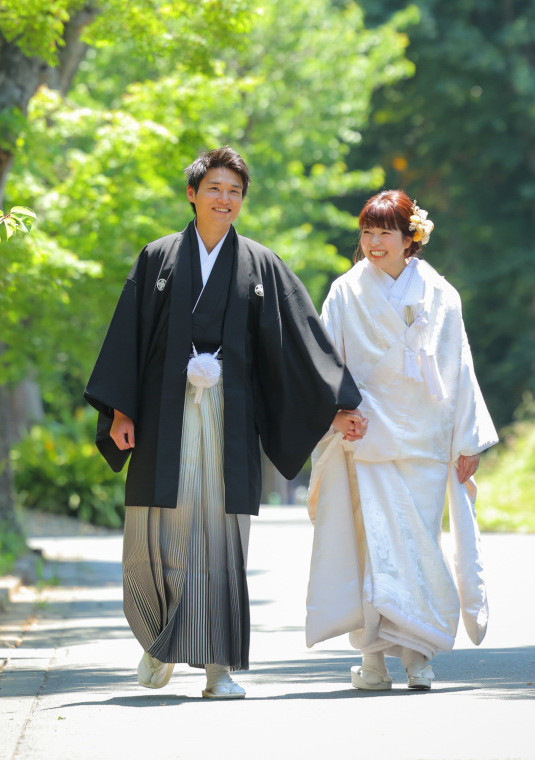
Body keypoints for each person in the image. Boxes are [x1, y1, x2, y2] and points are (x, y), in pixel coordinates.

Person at [85, 146, 364, 700]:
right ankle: (161, 640)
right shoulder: (158, 258)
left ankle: (219, 667)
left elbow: (297, 342)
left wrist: (336, 401)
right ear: (192, 195)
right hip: (166, 417)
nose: (225, 199)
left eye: (235, 191)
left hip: (227, 420)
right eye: (214, 188)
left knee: (220, 540)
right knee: (158, 536)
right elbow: (128, 338)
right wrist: (120, 410)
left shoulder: (259, 264)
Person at [305, 189, 498, 692]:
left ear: (410, 237)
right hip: (367, 436)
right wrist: (339, 412)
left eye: (384, 232)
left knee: (419, 549)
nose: (373, 242)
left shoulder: (441, 295)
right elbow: (328, 362)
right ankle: (373, 660)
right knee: (371, 551)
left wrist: (467, 440)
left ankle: (417, 652)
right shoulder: (345, 292)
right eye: (366, 232)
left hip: (426, 442)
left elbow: (460, 369)